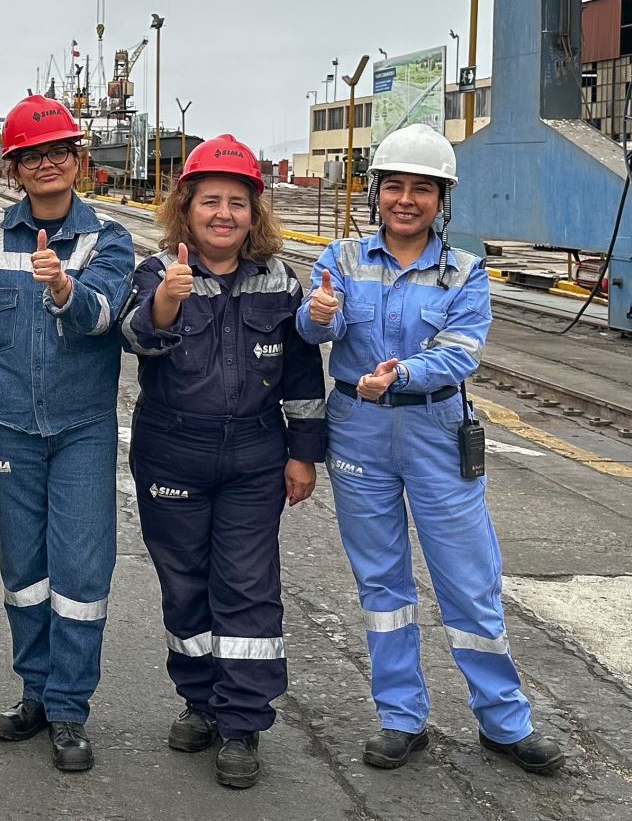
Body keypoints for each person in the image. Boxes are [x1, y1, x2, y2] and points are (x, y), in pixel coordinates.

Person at [296, 123, 564, 776]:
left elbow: (461, 351)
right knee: (382, 580)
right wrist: (321, 314)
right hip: (359, 429)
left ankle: (504, 722)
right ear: (377, 193)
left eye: (423, 188)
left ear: (442, 199)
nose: (406, 199)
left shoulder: (466, 273)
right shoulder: (343, 257)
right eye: (395, 186)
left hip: (435, 429)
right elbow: (307, 326)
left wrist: (403, 375)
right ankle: (400, 718)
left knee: (469, 580)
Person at [0, 95, 135, 773]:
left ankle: (70, 709)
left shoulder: (108, 239)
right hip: (5, 423)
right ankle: (36, 693)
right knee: (25, 574)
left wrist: (67, 294)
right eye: (31, 156)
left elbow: (105, 313)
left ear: (79, 162)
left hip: (81, 427)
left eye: (58, 153)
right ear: (14, 167)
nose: (46, 164)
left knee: (80, 570)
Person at [119, 136, 325, 789]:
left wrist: (304, 456)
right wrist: (167, 303)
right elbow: (134, 336)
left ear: (253, 215)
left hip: (254, 460)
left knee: (247, 587)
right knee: (184, 585)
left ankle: (241, 723)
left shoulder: (278, 279)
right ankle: (199, 701)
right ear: (187, 207)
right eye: (211, 201)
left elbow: (300, 373)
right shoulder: (158, 273)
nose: (224, 214)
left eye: (238, 203)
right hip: (172, 453)